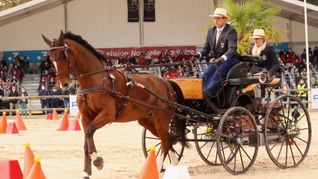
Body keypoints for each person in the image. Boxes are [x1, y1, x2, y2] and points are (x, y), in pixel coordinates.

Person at [196, 8, 240, 98]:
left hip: (230, 59)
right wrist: (199, 54)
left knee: (218, 73)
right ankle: (202, 92)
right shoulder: (211, 31)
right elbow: (206, 48)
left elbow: (232, 49)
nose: (215, 20)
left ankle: (210, 94)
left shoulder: (230, 31)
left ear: (225, 19)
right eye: (214, 18)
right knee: (206, 73)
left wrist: (222, 58)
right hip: (217, 60)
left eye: (218, 18)